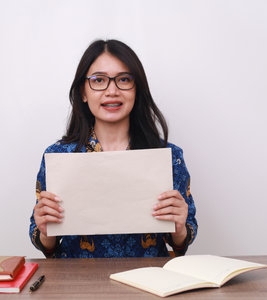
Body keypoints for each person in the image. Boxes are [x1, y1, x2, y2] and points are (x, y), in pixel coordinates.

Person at [29, 39, 197, 258]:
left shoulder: (168, 157)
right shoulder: (58, 156)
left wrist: (180, 228)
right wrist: (45, 231)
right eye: (99, 80)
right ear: (83, 92)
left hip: (149, 281)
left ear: (137, 90)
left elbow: (181, 243)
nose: (112, 91)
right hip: (77, 284)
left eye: (124, 80)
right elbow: (45, 244)